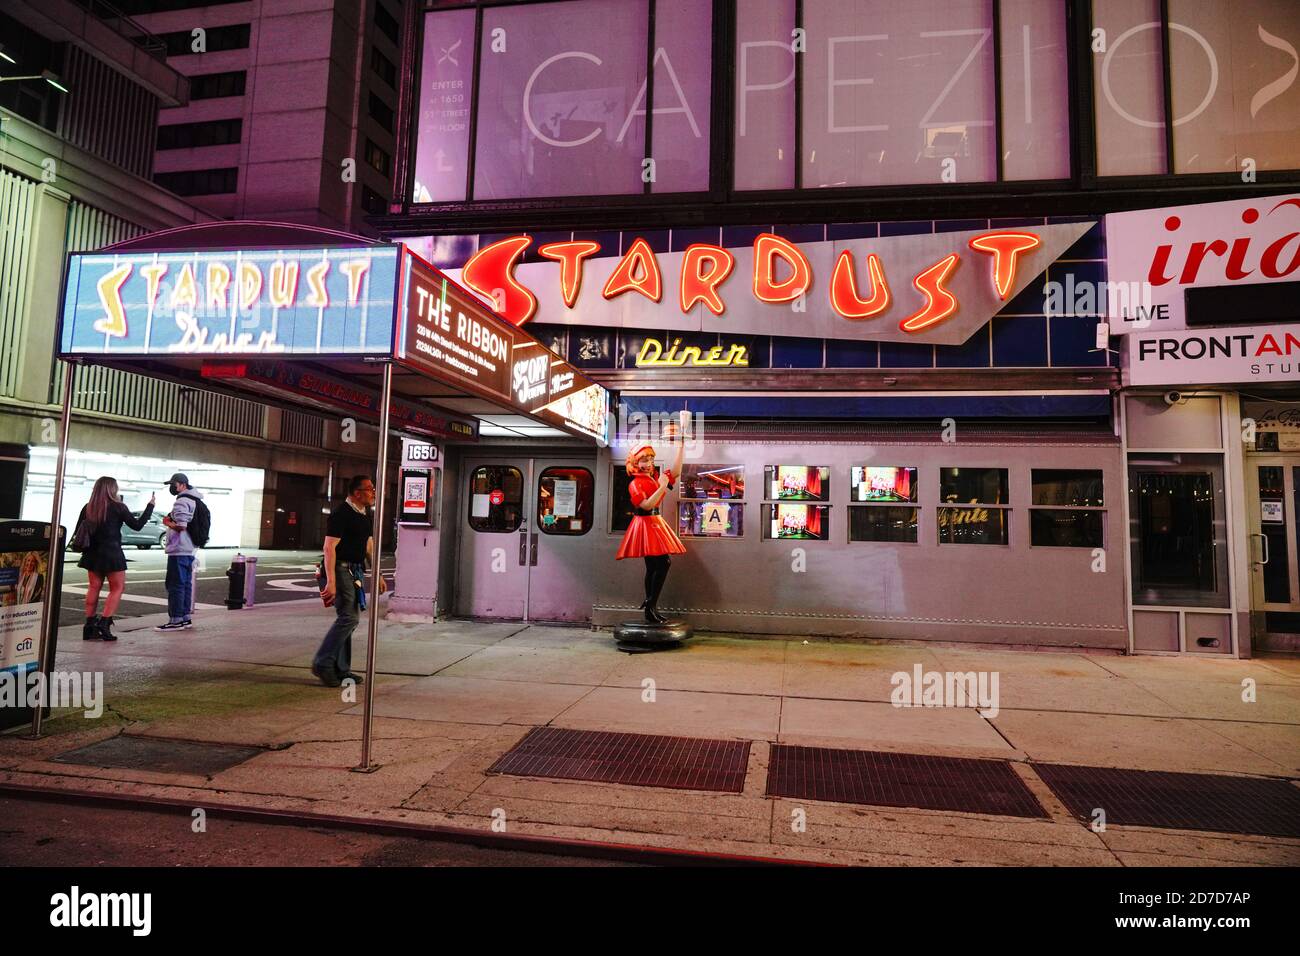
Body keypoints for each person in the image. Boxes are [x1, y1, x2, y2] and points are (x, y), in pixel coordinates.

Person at [312, 475, 386, 687]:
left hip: (354, 571)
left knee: (349, 620)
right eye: (370, 489)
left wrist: (377, 574)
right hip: (340, 568)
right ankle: (323, 663)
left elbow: (369, 548)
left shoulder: (364, 515)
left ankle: (342, 669)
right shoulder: (341, 514)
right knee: (349, 618)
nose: (373, 492)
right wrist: (331, 581)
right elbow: (329, 548)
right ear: (356, 493)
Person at [615, 412, 689, 624]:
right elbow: (646, 504)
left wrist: (681, 446)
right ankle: (650, 604)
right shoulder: (635, 483)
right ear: (635, 462)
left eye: (650, 459)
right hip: (646, 522)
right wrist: (663, 487)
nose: (648, 463)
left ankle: (650, 605)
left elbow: (676, 471)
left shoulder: (653, 479)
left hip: (654, 523)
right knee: (661, 563)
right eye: (644, 460)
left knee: (656, 565)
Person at [75, 477, 155, 642]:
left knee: (93, 587)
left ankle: (89, 626)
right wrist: (150, 506)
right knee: (117, 588)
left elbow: (79, 530)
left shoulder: (88, 507)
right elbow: (137, 525)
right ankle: (104, 623)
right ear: (113, 490)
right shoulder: (119, 507)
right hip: (112, 553)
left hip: (92, 554)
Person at [156, 472, 204, 631]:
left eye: (174, 484)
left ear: (183, 484)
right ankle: (184, 618)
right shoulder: (194, 500)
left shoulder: (182, 501)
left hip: (179, 549)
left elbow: (181, 526)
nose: (172, 487)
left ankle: (175, 620)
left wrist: (167, 522)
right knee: (185, 584)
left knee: (175, 584)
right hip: (189, 548)